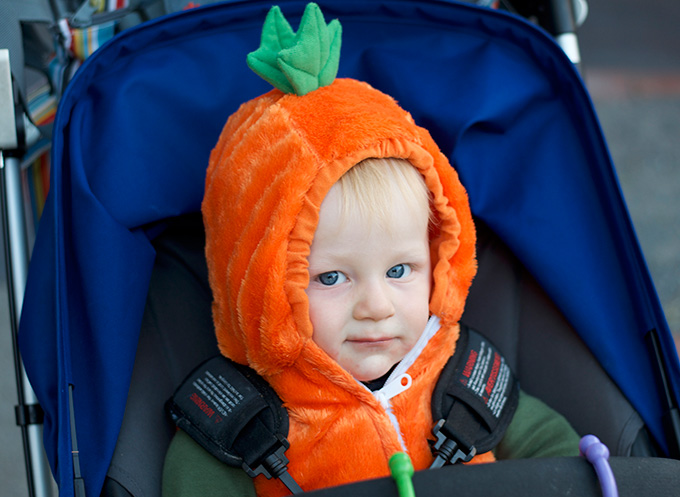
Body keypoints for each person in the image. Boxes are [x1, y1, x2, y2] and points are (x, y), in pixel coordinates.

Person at [163, 4, 579, 496]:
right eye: (332, 278)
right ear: (264, 286)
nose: (376, 307)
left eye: (400, 269)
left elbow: (557, 455)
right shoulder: (241, 423)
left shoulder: (463, 384)